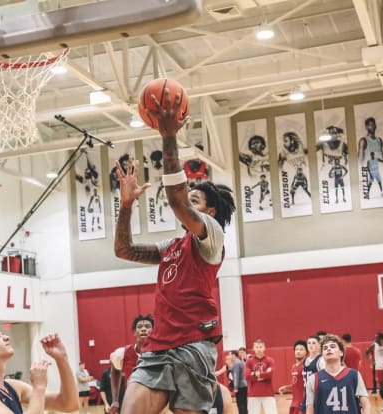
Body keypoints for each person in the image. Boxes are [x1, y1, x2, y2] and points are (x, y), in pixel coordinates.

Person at [113, 87, 235, 414]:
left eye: (196, 201)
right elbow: (123, 250)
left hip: (195, 343)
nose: (187, 205)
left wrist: (168, 137)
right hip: (158, 347)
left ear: (208, 212)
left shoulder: (211, 234)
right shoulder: (172, 246)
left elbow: (178, 202)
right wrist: (125, 205)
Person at [0, 321, 78, 414]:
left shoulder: (12, 386)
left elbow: (69, 404)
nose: (6, 337)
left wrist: (62, 359)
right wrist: (39, 388)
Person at [305, 335, 371, 414]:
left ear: (341, 352)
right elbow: (310, 407)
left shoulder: (354, 375)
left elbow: (365, 404)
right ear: (322, 354)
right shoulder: (313, 378)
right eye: (325, 348)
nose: (328, 349)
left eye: (333, 347)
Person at [109, 314, 154, 413]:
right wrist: (115, 400)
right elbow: (115, 371)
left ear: (154, 332)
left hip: (155, 402)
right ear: (134, 332)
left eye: (147, 327)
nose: (143, 329)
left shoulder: (161, 353)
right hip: (132, 402)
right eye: (140, 327)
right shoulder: (123, 353)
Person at [245, 339, 277, 414]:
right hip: (253, 394)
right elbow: (247, 376)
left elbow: (270, 374)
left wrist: (256, 374)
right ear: (253, 348)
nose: (259, 349)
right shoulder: (249, 361)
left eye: (260, 347)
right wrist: (264, 374)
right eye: (257, 347)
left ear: (264, 348)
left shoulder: (270, 360)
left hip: (268, 393)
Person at [278, 339, 307, 414]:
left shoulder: (307, 366)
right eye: (296, 349)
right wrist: (286, 388)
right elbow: (297, 384)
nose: (298, 351)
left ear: (306, 352)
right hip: (294, 402)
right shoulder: (294, 367)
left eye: (301, 349)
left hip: (303, 403)